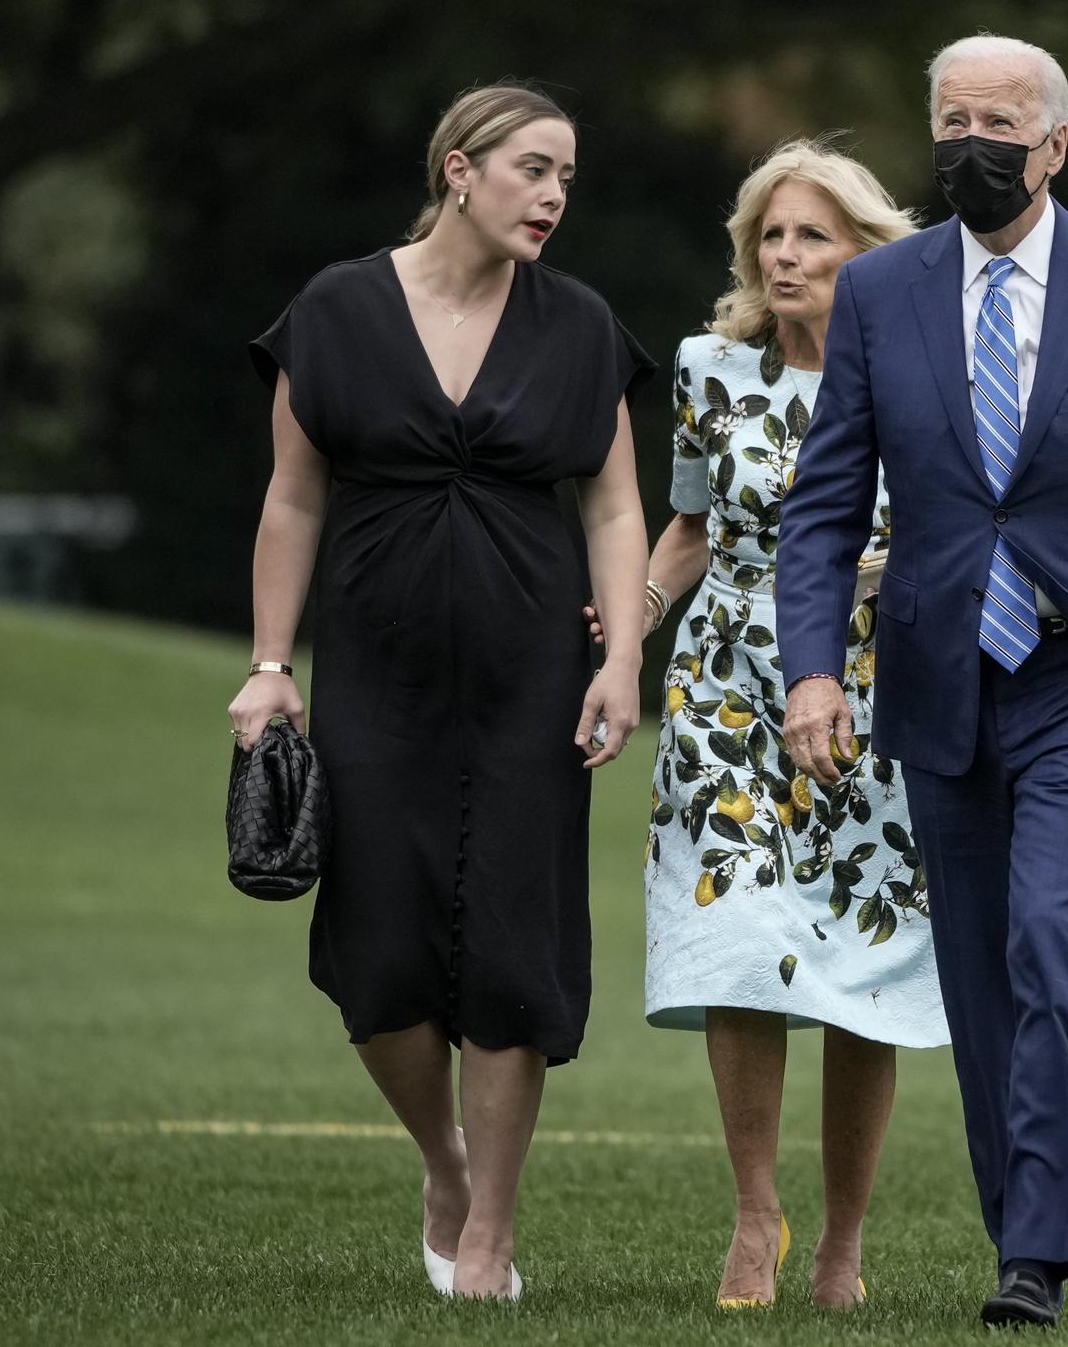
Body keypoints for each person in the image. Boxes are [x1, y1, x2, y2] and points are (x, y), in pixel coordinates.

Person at [776, 35, 1068, 1328]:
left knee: (1051, 931)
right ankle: (1016, 1235)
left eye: (998, 121)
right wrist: (814, 667)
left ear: (1052, 146)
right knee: (981, 975)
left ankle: (1039, 1252)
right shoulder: (882, 293)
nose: (969, 141)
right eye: (951, 118)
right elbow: (823, 509)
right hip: (938, 676)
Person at [228, 83, 654, 1300]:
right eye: (533, 168)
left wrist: (621, 657)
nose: (554, 196)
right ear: (458, 171)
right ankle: (443, 1163)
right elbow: (293, 497)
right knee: (378, 959)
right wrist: (270, 667)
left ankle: (491, 1236)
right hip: (377, 677)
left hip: (534, 681)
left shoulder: (579, 327)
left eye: (567, 175)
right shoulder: (338, 309)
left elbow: (615, 506)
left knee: (514, 953)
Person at [641, 140, 949, 1312]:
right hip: (725, 683)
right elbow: (685, 525)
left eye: (812, 234)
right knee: (740, 940)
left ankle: (843, 1241)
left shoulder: (923, 376)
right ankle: (755, 1213)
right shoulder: (708, 366)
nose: (784, 255)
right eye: (769, 235)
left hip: (875, 692)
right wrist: (631, 628)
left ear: (864, 254)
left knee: (858, 963)